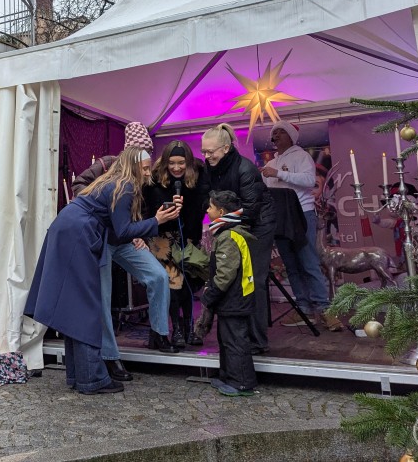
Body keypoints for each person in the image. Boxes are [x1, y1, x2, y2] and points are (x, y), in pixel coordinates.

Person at [25, 147, 180, 394]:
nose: (149, 172)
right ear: (131, 165)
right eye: (145, 168)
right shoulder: (125, 186)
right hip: (80, 235)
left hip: (71, 230)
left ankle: (82, 376)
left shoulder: (114, 181)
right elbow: (122, 231)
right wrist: (156, 222)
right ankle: (93, 378)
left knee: (77, 305)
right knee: (88, 306)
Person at [72, 122, 179, 384]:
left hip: (126, 236)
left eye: (147, 151)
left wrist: (141, 230)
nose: (145, 156)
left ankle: (158, 333)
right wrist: (104, 211)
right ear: (128, 150)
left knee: (158, 276)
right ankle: (110, 356)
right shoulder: (107, 165)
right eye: (140, 150)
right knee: (104, 298)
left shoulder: (144, 173)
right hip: (103, 239)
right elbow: (79, 186)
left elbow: (136, 208)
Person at [200, 123, 275, 355]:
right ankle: (238, 337)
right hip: (234, 224)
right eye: (204, 151)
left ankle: (257, 341)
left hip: (259, 224)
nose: (206, 156)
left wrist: (218, 225)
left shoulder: (245, 168)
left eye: (210, 151)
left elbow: (251, 209)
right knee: (231, 278)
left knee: (254, 280)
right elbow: (210, 199)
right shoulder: (211, 167)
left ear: (225, 148)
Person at [261, 121, 342, 331]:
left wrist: (278, 174)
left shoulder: (301, 156)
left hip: (302, 214)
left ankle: (325, 309)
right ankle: (304, 308)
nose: (276, 135)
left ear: (291, 137)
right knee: (292, 266)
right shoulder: (273, 162)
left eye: (281, 132)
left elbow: (308, 181)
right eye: (274, 133)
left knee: (309, 262)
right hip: (280, 218)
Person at [144, 140, 210, 347]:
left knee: (188, 285)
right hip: (162, 239)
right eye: (171, 163)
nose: (176, 167)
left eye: (181, 162)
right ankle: (176, 330)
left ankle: (190, 330)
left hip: (188, 238)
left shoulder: (199, 176)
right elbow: (146, 210)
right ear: (165, 163)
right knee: (173, 284)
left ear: (188, 162)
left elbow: (204, 205)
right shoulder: (154, 181)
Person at [202, 190, 257, 396]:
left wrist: (211, 294)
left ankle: (241, 382)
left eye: (210, 207)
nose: (207, 210)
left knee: (235, 341)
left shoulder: (228, 236)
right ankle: (227, 376)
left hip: (235, 298)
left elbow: (225, 274)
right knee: (226, 340)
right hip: (231, 300)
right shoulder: (225, 233)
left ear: (221, 211)